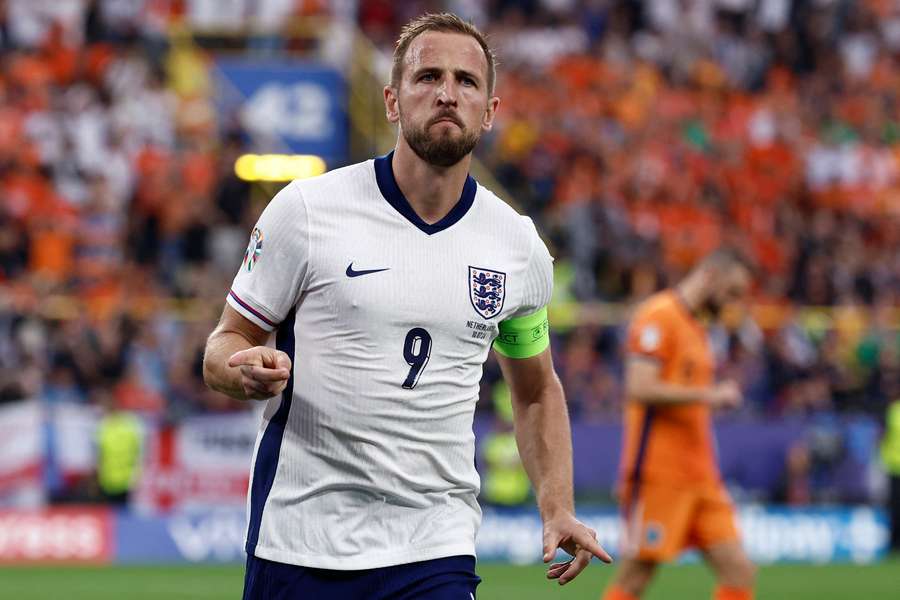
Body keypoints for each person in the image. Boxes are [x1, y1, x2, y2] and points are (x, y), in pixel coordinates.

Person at [202, 12, 611, 600]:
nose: (447, 93)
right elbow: (226, 341)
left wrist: (558, 507)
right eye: (428, 77)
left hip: (433, 547)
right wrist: (237, 370)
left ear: (490, 112)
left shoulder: (516, 245)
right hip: (300, 541)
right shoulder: (308, 212)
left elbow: (537, 389)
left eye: (468, 82)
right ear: (392, 101)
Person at [602, 248, 757, 600]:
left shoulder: (696, 327)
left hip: (701, 475)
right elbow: (639, 386)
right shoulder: (659, 316)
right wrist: (709, 395)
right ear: (710, 276)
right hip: (660, 472)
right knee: (637, 574)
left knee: (738, 569)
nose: (733, 304)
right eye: (732, 293)